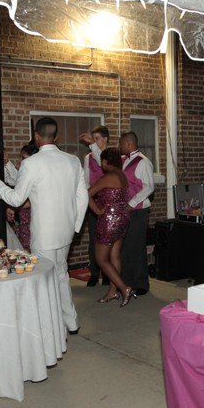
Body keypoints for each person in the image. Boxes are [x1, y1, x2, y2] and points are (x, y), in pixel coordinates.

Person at [0, 117, 89, 334]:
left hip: (44, 233)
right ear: (56, 136)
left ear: (36, 136)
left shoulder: (31, 163)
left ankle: (51, 328)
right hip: (66, 231)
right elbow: (83, 198)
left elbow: (16, 199)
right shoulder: (73, 161)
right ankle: (71, 322)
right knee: (61, 274)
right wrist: (75, 226)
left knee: (44, 280)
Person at [88, 147, 134, 306]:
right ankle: (112, 292)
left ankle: (124, 288)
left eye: (102, 161)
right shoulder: (122, 176)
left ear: (106, 162)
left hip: (109, 221)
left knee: (101, 259)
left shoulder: (108, 177)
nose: (101, 165)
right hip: (122, 219)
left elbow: (87, 194)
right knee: (115, 257)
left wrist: (97, 210)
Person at [118, 131, 154, 296]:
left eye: (121, 144)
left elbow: (149, 187)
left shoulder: (143, 162)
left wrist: (131, 204)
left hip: (139, 211)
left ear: (128, 143)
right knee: (126, 247)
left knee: (137, 247)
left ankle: (141, 284)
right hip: (127, 210)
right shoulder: (124, 160)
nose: (120, 147)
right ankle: (127, 281)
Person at [80, 126, 111, 287]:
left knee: (107, 238)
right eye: (94, 139)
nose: (95, 142)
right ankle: (94, 272)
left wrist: (92, 144)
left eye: (97, 138)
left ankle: (107, 273)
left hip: (108, 201)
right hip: (93, 200)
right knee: (94, 238)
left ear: (105, 139)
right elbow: (86, 180)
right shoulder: (88, 157)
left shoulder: (111, 155)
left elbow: (103, 163)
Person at [6, 143, 39, 251]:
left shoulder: (37, 176)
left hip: (33, 224)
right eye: (21, 158)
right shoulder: (25, 173)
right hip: (23, 224)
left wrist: (14, 207)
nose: (20, 162)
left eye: (24, 158)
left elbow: (33, 199)